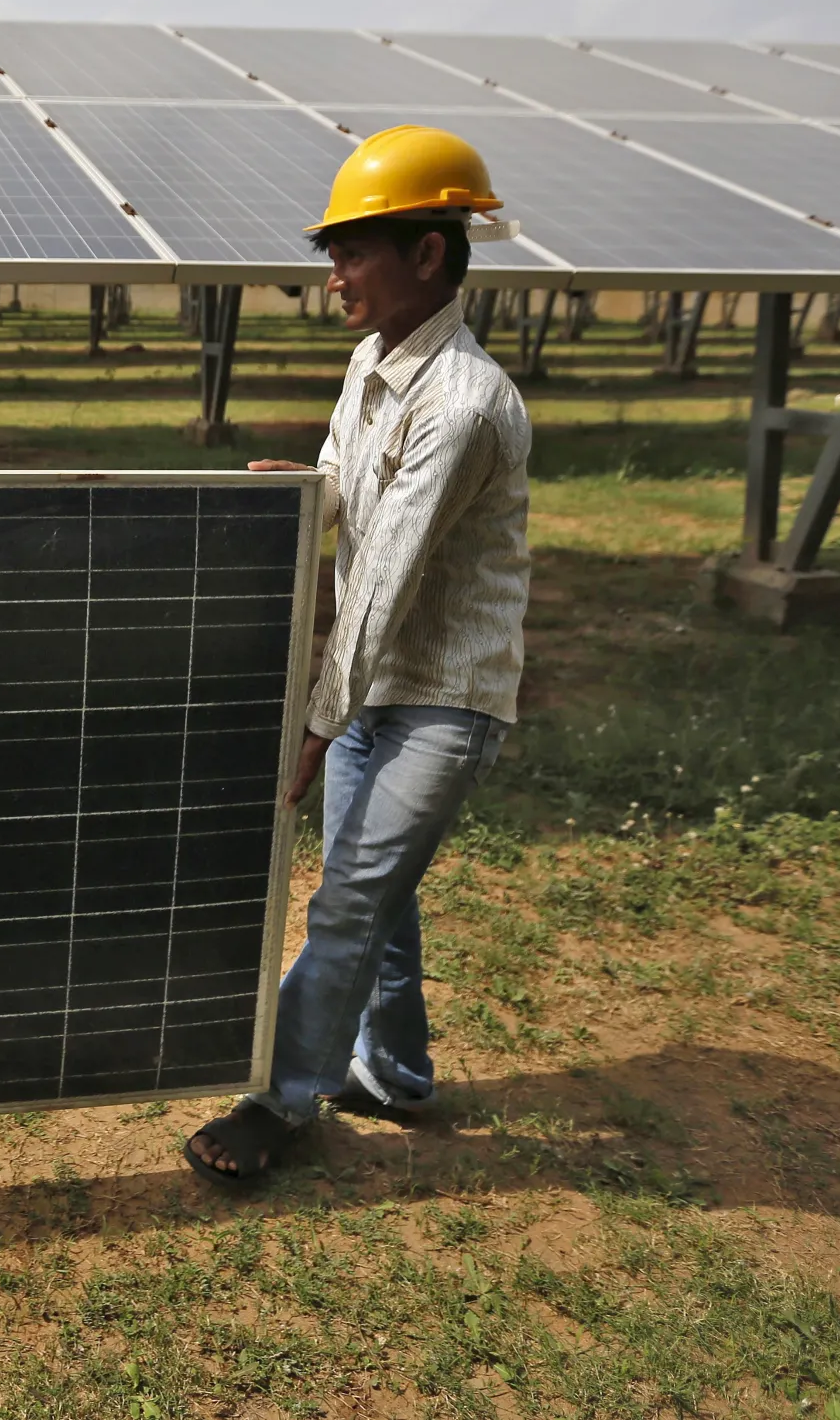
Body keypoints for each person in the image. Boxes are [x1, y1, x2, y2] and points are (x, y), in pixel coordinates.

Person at [185, 125, 532, 1186]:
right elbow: (351, 484)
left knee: (346, 899)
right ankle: (397, 1071)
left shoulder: (465, 404)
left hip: (441, 700)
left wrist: (314, 721)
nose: (331, 275)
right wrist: (308, 487)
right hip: (375, 685)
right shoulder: (372, 359)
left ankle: (280, 1100)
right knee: (372, 888)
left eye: (351, 250)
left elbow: (380, 583)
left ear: (428, 254)